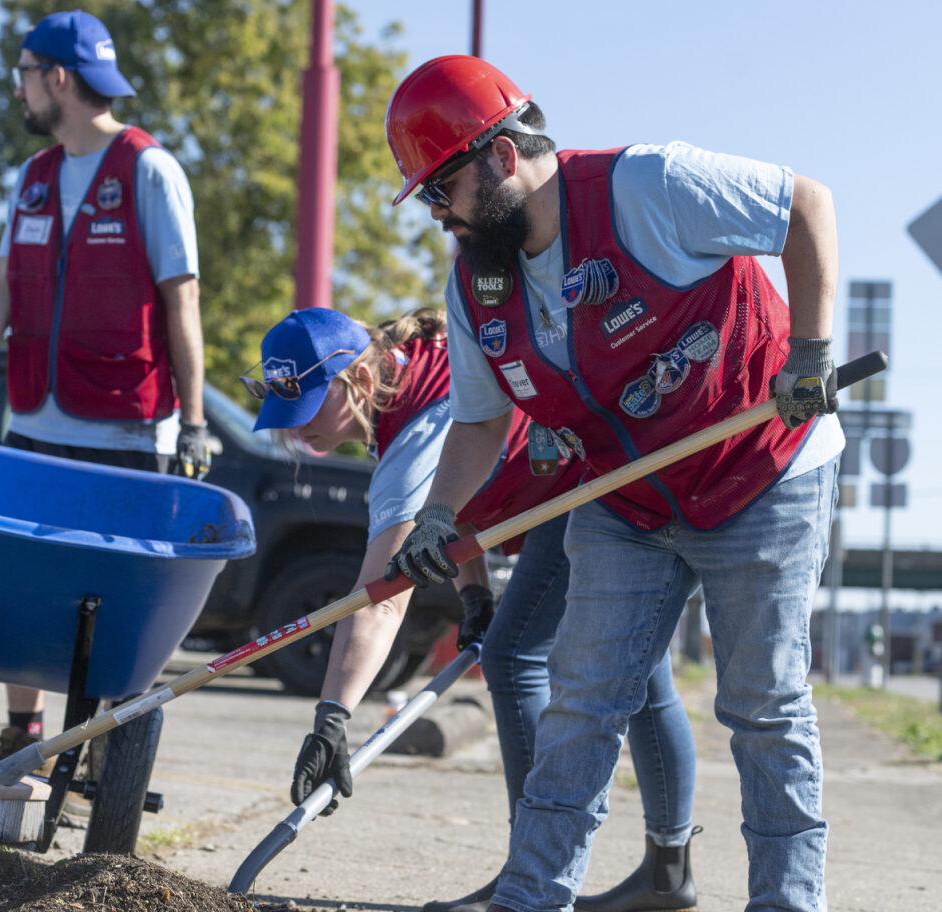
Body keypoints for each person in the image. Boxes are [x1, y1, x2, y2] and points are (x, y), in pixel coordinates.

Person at [383, 55, 842, 912]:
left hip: (761, 470)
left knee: (763, 709)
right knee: (581, 702)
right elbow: (480, 423)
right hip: (628, 497)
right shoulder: (477, 283)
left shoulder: (649, 187)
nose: (439, 217)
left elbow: (803, 206)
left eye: (441, 191)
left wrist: (809, 356)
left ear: (498, 154)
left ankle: (786, 902)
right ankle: (531, 896)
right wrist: (437, 514)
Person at [245, 306, 698, 912]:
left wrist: (332, 716)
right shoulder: (414, 377)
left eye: (306, 409)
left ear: (355, 379)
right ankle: (667, 876)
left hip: (590, 488)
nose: (297, 432)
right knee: (643, 674)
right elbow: (453, 511)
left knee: (513, 660)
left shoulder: (411, 441)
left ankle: (531, 876)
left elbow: (381, 598)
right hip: (596, 472)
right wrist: (474, 593)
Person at [0, 10, 211, 761]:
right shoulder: (34, 178)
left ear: (57, 77)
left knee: (109, 601)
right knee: (16, 582)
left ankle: (100, 748)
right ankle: (23, 730)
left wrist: (197, 421)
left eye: (22, 73)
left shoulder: (149, 170)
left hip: (123, 427)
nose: (15, 89)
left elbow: (183, 301)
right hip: (35, 422)